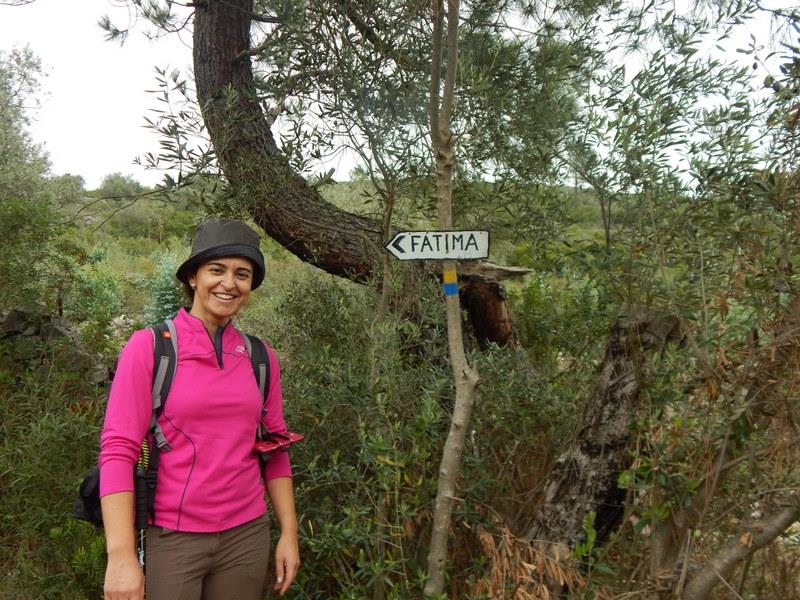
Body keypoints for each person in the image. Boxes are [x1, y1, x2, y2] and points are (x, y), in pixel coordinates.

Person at [98, 218, 300, 600]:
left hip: (246, 536)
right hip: (173, 538)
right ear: (193, 277)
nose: (229, 283)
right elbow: (118, 449)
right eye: (216, 270)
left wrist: (289, 531)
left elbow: (275, 447)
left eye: (242, 274)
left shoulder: (260, 357)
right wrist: (120, 556)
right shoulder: (150, 347)